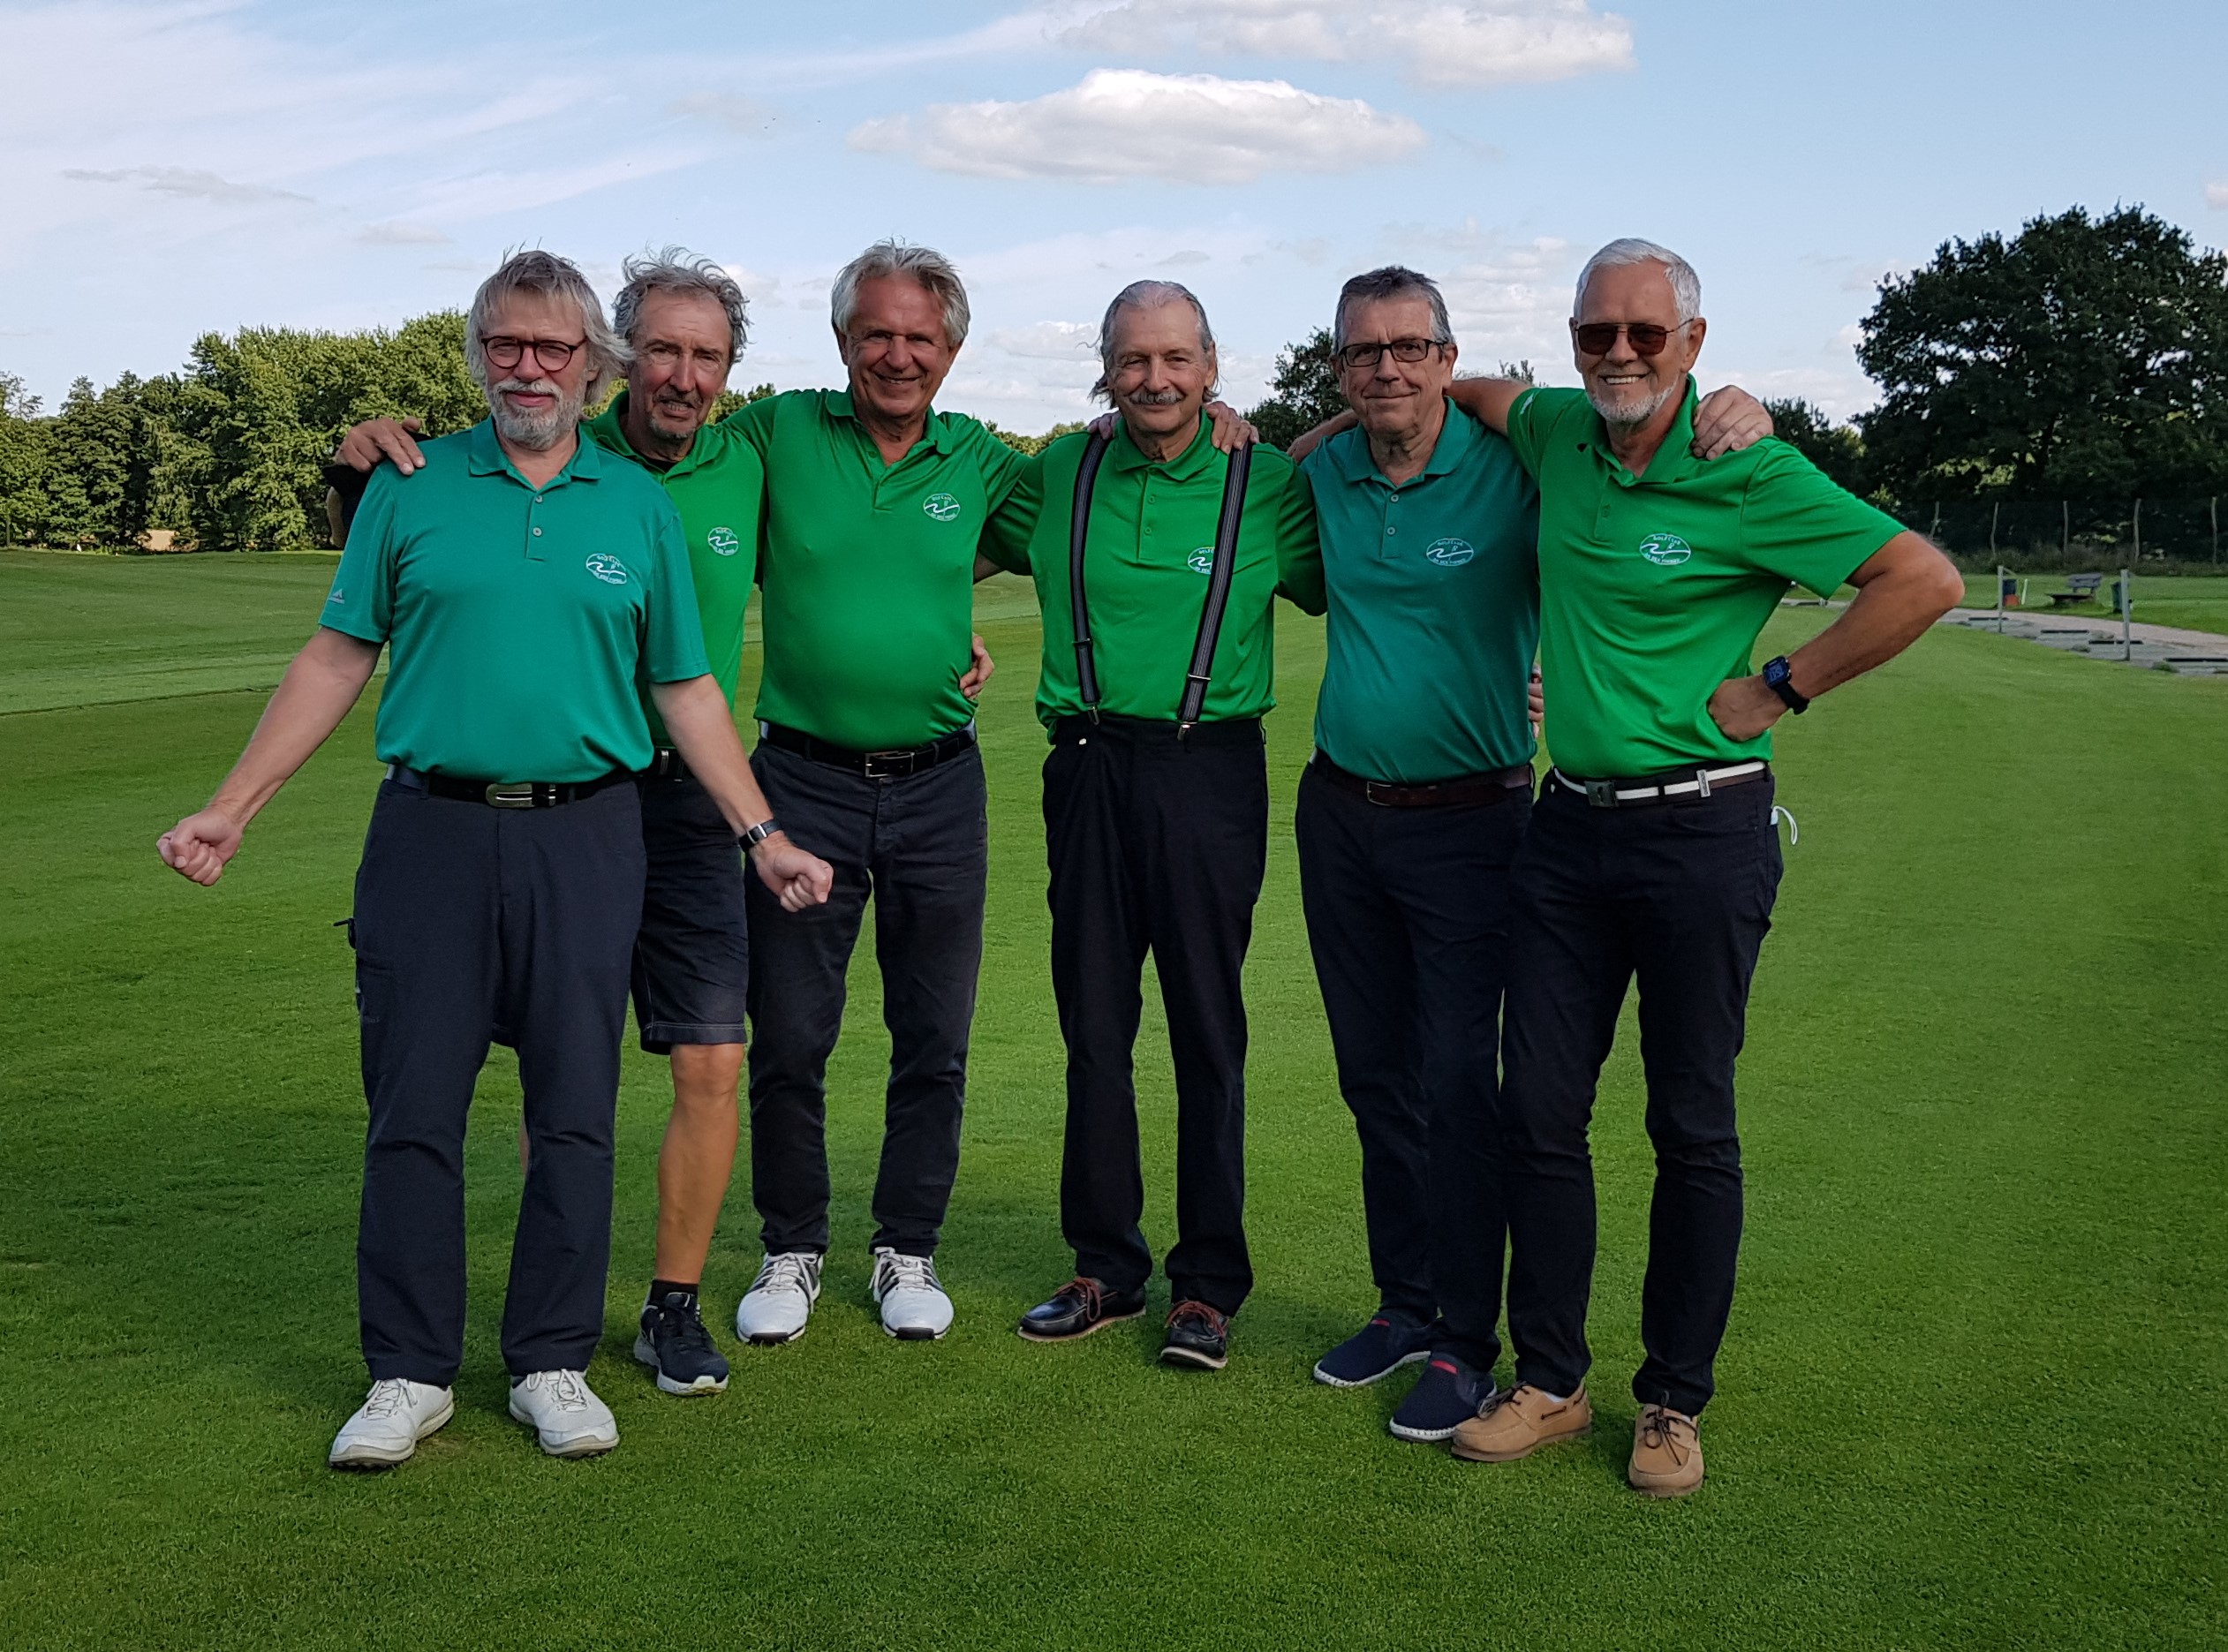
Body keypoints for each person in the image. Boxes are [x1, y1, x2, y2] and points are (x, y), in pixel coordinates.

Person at [159, 251, 832, 1469]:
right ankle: (407, 1371)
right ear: (477, 356)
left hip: (588, 833)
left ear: (591, 365)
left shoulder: (634, 505)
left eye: (552, 348)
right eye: (506, 344)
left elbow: (683, 684)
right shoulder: (412, 486)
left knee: (573, 1109)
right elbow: (336, 654)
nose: (529, 367)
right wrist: (232, 807)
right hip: (431, 830)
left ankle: (549, 1360)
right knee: (413, 1107)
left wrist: (762, 832)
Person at [1349, 238, 1959, 1494]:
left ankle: (1672, 1399)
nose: (1618, 353)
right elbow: (1463, 391)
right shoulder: (1558, 430)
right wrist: (1304, 422)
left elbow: (1921, 578)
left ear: (1691, 340)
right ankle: (1549, 1379)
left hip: (1701, 830)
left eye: (1644, 333)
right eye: (1596, 334)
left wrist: (1783, 683)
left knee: (1688, 1122)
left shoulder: (1751, 467)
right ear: (1572, 341)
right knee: (1536, 1113)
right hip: (1566, 830)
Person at [1290, 268, 1773, 1442]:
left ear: (1450, 359)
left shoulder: (1520, 462)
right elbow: (1265, 464)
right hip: (1340, 812)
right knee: (1374, 1076)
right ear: (1339, 370)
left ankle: (1467, 1339)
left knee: (1464, 1084)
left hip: (1476, 818)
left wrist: (1736, 403)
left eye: (1411, 347)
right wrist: (1227, 415)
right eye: (1363, 352)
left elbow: (1627, 455)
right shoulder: (1323, 471)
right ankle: (1405, 1303)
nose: (1388, 367)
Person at [333, 249, 789, 1399]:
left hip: (662, 799)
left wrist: (945, 639)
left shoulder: (751, 459)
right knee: (488, 1084)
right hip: (508, 802)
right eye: (664, 349)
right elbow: (365, 611)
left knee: (683, 1060)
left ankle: (638, 1318)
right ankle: (435, 1363)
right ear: (620, 359)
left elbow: (853, 564)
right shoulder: (451, 464)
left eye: (707, 355)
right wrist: (351, 455)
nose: (683, 373)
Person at [983, 282, 1318, 1372]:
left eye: (1177, 359)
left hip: (1207, 767)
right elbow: (933, 548)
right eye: (1134, 359)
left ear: (1212, 367)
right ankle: (1106, 1264)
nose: (1155, 379)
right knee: (1094, 1026)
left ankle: (1208, 1284)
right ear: (1105, 369)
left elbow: (1372, 554)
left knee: (1207, 1030)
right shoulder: (1058, 472)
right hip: (1085, 764)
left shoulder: (1267, 482)